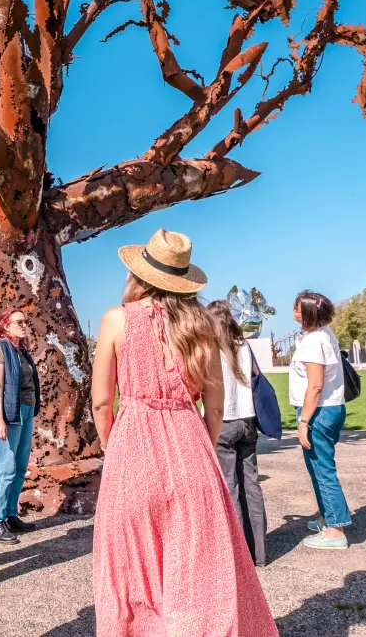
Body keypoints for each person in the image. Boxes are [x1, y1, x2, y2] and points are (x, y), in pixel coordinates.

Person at [92, 229, 278, 637]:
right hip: (189, 443)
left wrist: (113, 446)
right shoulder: (204, 327)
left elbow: (102, 402)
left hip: (133, 447)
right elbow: (214, 406)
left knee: (134, 564)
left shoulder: (115, 320)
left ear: (139, 276)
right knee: (198, 568)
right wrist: (199, 447)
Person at [208, 299, 268, 567]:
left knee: (229, 487)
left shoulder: (210, 347)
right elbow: (257, 377)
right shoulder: (245, 345)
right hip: (248, 420)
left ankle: (238, 554)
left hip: (225, 422)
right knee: (251, 485)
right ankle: (260, 552)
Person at [291, 290, 351, 550]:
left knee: (322, 470)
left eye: (296, 307)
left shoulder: (314, 341)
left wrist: (304, 421)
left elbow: (315, 386)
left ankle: (336, 530)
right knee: (318, 467)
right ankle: (328, 517)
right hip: (330, 408)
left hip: (319, 411)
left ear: (306, 313)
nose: (292, 311)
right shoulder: (323, 334)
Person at [0, 309, 41, 544]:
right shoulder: (0, 349)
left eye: (25, 322)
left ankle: (10, 513)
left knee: (19, 466)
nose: (24, 325)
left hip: (26, 412)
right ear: (5, 326)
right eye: (18, 322)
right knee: (5, 467)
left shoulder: (22, 351)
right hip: (10, 414)